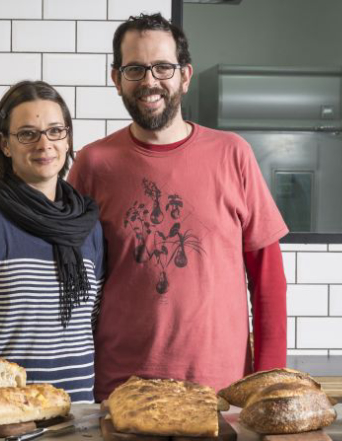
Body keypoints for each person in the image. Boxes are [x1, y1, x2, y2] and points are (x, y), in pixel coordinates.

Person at [68, 13, 289, 402]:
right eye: (135, 68)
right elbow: (72, 281)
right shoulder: (93, 163)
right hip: (120, 389)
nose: (149, 81)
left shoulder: (232, 154)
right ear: (116, 78)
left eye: (162, 67)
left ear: (185, 76)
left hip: (221, 390)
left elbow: (268, 279)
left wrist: (268, 382)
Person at [0, 81, 104, 403]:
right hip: (5, 413)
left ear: (68, 139)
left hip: (77, 414)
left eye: (55, 131)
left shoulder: (88, 227)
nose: (44, 144)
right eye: (28, 134)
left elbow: (91, 323)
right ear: (5, 144)